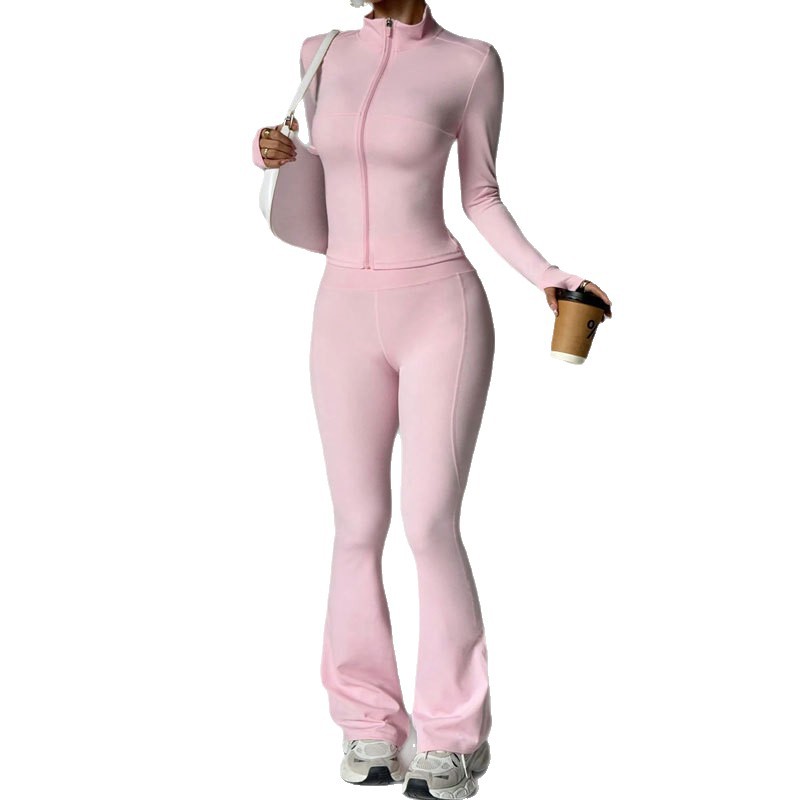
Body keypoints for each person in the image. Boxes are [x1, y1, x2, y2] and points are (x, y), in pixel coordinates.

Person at [251, 1, 613, 797]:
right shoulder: (318, 52)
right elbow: (325, 191)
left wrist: (549, 277)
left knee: (428, 523)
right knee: (355, 526)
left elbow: (480, 194)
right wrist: (282, 156)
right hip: (342, 308)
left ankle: (452, 735)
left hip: (440, 309)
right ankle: (366, 723)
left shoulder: (470, 62)